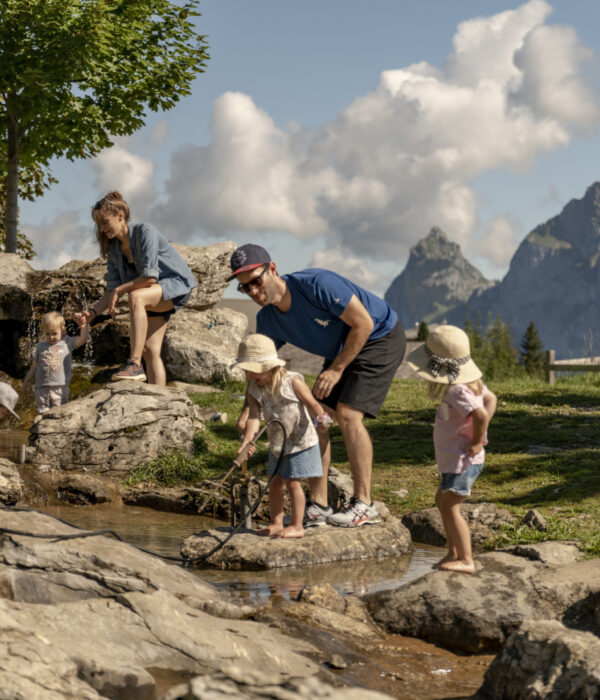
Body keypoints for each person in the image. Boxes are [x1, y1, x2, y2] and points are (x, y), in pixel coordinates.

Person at [229, 244, 406, 528]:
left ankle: (364, 505)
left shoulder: (317, 285)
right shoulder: (267, 320)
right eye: (244, 287)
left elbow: (363, 324)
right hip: (343, 350)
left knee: (348, 414)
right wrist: (247, 411)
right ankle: (319, 506)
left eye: (255, 281)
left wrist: (337, 369)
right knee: (316, 419)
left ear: (272, 269)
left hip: (379, 336)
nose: (251, 291)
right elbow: (258, 370)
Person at [76, 191, 197, 384]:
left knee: (136, 296)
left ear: (120, 216)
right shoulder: (114, 250)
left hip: (176, 285)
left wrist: (120, 290)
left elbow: (149, 278)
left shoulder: (144, 232)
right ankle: (161, 404)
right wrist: (92, 313)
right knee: (150, 350)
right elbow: (110, 291)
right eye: (99, 224)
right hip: (154, 295)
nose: (102, 228)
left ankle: (133, 363)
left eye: (105, 222)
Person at [407, 325, 497, 574]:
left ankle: (466, 559)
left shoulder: (458, 390)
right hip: (456, 460)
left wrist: (479, 439)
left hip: (463, 461)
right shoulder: (473, 385)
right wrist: (480, 432)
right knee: (442, 501)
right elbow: (491, 400)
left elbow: (480, 413)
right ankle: (453, 551)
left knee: (450, 506)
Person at [235, 334, 331, 538]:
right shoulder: (254, 387)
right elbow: (254, 417)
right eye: (248, 372)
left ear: (271, 366)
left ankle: (297, 525)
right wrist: (247, 441)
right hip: (278, 444)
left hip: (300, 442)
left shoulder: (292, 381)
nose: (252, 376)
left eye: (256, 372)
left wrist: (321, 418)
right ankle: (276, 522)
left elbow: (312, 404)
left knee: (293, 482)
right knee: (274, 482)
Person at [23, 311, 89, 414]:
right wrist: (27, 381)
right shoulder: (40, 347)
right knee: (42, 411)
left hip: (60, 386)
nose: (51, 337)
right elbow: (35, 366)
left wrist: (83, 326)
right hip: (41, 386)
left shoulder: (67, 342)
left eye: (54, 333)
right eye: (47, 334)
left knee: (58, 412)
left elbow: (83, 339)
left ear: (62, 330)